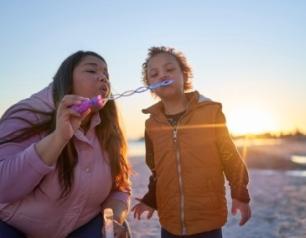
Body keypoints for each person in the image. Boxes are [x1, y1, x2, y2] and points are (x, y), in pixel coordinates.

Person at [0, 51, 131, 238]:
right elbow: (3, 188)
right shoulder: (27, 114)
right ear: (66, 79)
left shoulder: (108, 129)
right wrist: (58, 138)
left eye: (106, 75)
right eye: (91, 70)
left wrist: (113, 218)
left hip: (78, 227)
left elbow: (120, 187)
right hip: (10, 226)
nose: (102, 77)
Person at [132, 46, 251, 238]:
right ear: (149, 86)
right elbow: (157, 170)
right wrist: (151, 199)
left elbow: (229, 156)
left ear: (184, 76)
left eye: (169, 70)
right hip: (169, 223)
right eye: (154, 74)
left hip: (207, 220)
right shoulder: (151, 125)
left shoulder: (210, 112)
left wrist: (240, 194)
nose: (162, 75)